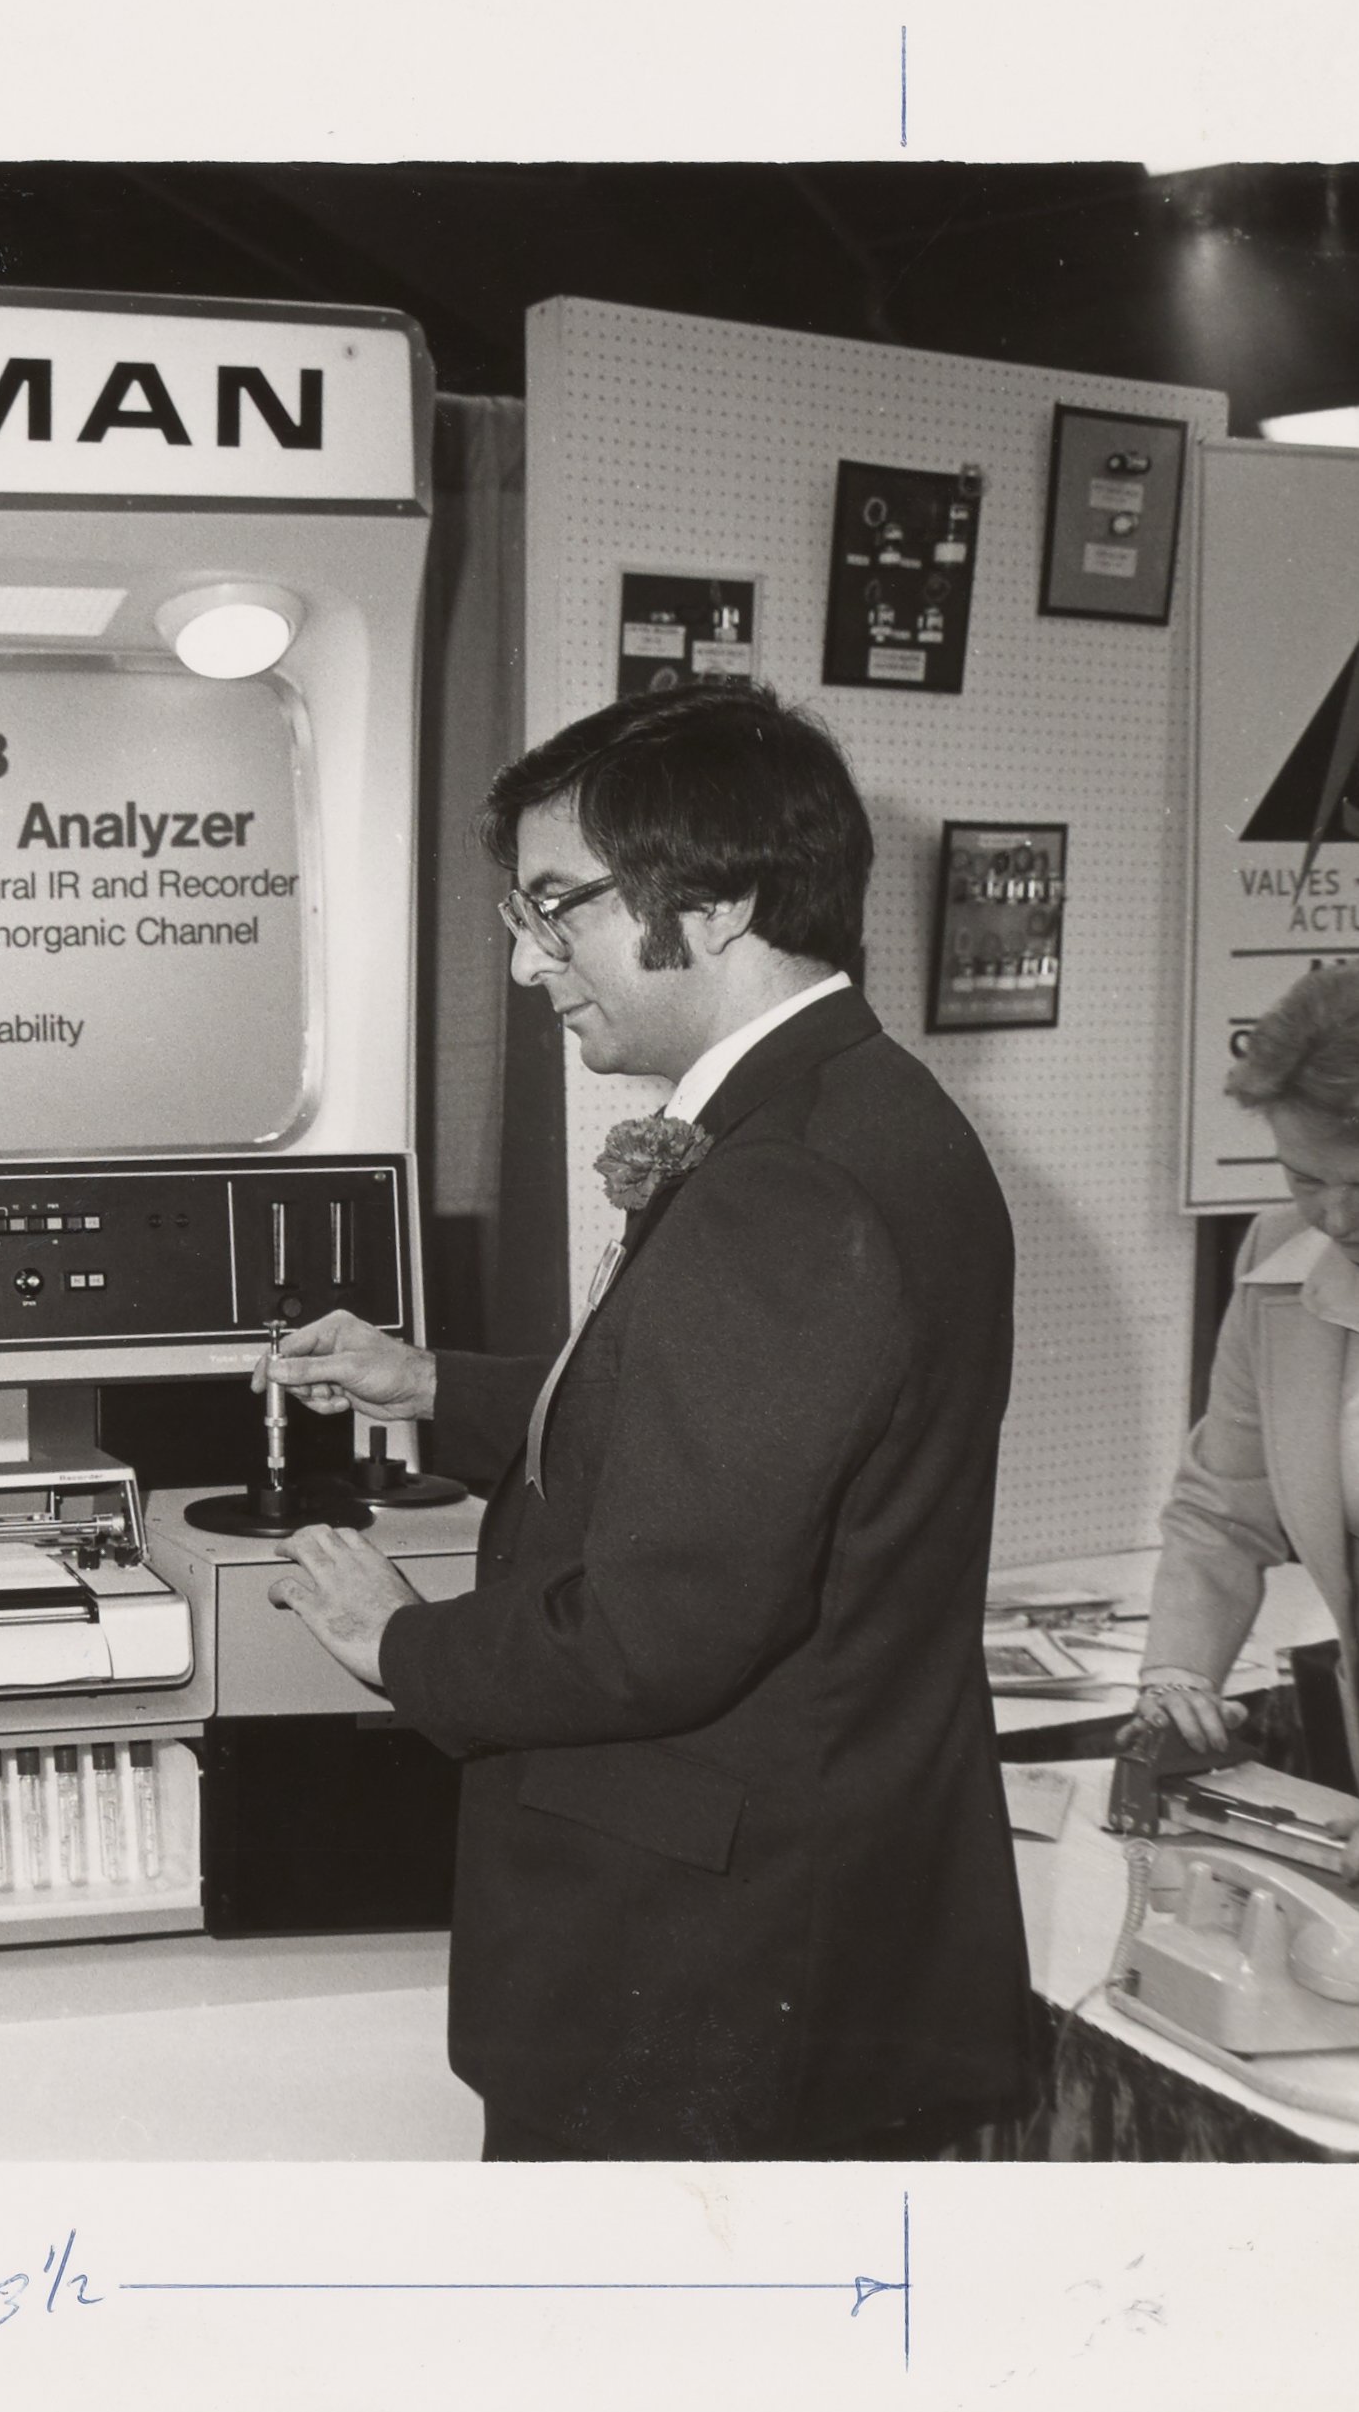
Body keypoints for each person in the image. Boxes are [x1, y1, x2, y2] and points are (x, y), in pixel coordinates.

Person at [261, 679, 1032, 2161]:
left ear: (720, 901)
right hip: (788, 1927)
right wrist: (432, 1384)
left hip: (703, 1963)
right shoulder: (858, 1114)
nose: (526, 960)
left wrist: (399, 1642)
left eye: (555, 906)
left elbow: (655, 1627)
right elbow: (725, 1434)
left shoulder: (784, 1181)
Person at [1132, 962, 1359, 1872]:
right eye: (1304, 1176)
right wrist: (1178, 1672)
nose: (1336, 1216)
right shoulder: (1283, 1256)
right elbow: (1222, 1508)